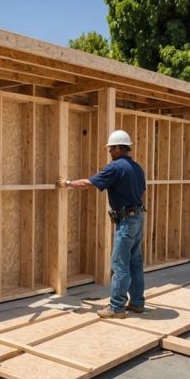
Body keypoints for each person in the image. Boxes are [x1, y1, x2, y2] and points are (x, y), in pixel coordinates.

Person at [56, 130, 146, 319]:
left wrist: (67, 183)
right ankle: (137, 303)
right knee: (135, 262)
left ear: (119, 148)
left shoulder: (115, 167)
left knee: (120, 264)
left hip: (127, 221)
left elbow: (89, 183)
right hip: (137, 217)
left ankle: (117, 308)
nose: (109, 152)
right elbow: (141, 191)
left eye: (111, 148)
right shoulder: (137, 168)